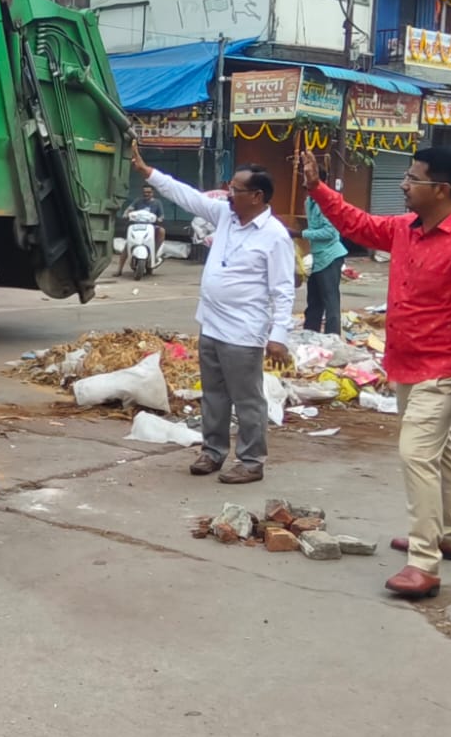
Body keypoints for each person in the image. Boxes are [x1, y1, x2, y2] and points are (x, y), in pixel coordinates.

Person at [300, 145, 451, 599]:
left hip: (444, 369)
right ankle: (447, 534)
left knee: (416, 454)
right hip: (407, 363)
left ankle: (424, 564)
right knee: (439, 452)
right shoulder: (406, 230)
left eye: (412, 179)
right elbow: (358, 224)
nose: (404, 186)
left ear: (442, 189)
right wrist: (316, 188)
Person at [129, 142, 294, 484]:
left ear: (258, 196)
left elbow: (283, 289)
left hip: (244, 332)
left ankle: (251, 461)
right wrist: (150, 174)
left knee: (247, 398)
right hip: (212, 325)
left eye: (236, 189)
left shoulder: (275, 237)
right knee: (214, 395)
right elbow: (188, 196)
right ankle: (213, 450)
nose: (229, 194)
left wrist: (278, 336)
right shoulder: (226, 216)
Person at [301, 193, 348, 335]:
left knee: (330, 301)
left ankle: (332, 337)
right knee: (314, 300)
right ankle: (309, 334)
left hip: (330, 256)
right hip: (319, 256)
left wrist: (301, 234)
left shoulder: (326, 202)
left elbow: (330, 232)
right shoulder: (309, 201)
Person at [114, 183, 165, 278]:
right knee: (127, 245)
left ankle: (154, 254)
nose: (146, 194)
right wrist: (126, 213)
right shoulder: (138, 201)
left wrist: (159, 219)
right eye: (145, 192)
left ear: (153, 193)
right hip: (136, 226)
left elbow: (161, 216)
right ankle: (119, 270)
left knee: (162, 231)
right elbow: (129, 209)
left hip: (151, 227)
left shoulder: (157, 203)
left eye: (149, 192)